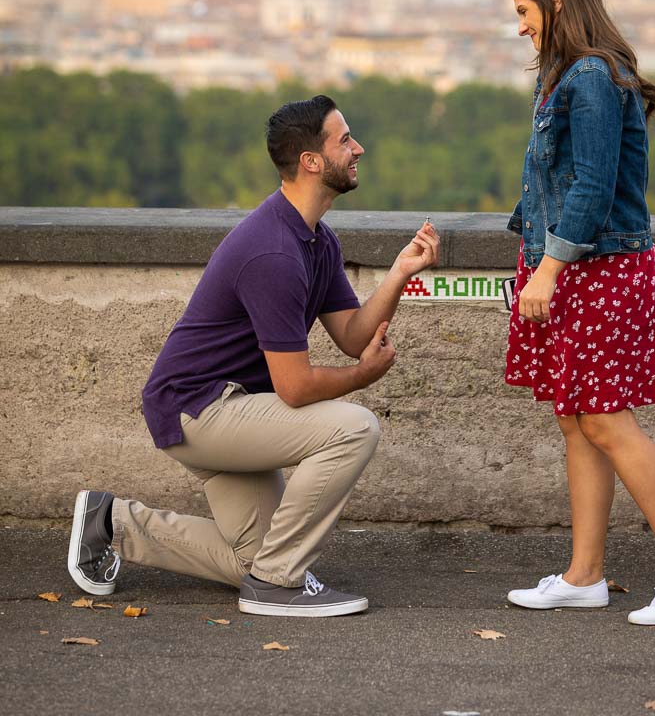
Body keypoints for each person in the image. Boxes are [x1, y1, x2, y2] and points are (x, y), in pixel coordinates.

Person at [68, 94, 439, 618]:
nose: (359, 148)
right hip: (199, 409)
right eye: (345, 139)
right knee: (354, 428)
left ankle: (110, 523)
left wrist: (400, 273)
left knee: (255, 558)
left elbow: (354, 335)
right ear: (311, 161)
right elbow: (294, 388)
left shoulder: (316, 239)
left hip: (230, 407)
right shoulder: (274, 252)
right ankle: (278, 585)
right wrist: (360, 379)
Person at [504, 0, 655, 626]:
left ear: (555, 3)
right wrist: (534, 258)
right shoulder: (569, 75)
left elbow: (594, 189)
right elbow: (548, 188)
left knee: (602, 419)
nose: (518, 28)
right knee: (575, 418)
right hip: (571, 267)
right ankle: (584, 575)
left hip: (596, 271)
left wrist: (546, 270)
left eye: (522, 13)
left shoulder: (591, 77)